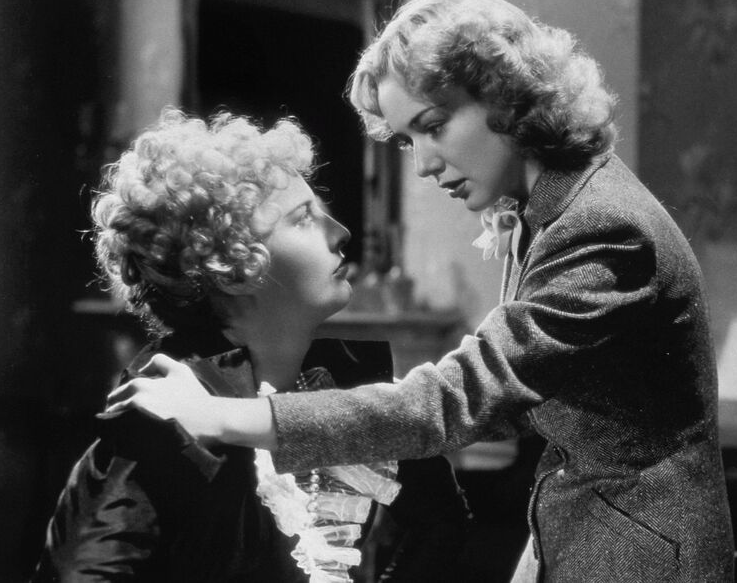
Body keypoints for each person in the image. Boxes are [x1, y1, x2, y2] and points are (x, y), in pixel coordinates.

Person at [106, 0, 735, 581]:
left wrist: (217, 414)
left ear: (509, 95)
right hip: (585, 531)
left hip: (638, 555)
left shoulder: (601, 227)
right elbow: (539, 396)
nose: (426, 164)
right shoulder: (554, 206)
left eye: (434, 125)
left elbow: (454, 401)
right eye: (408, 140)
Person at [33, 109, 469, 582]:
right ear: (235, 268)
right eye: (303, 220)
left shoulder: (340, 386)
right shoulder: (163, 422)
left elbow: (443, 523)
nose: (340, 233)